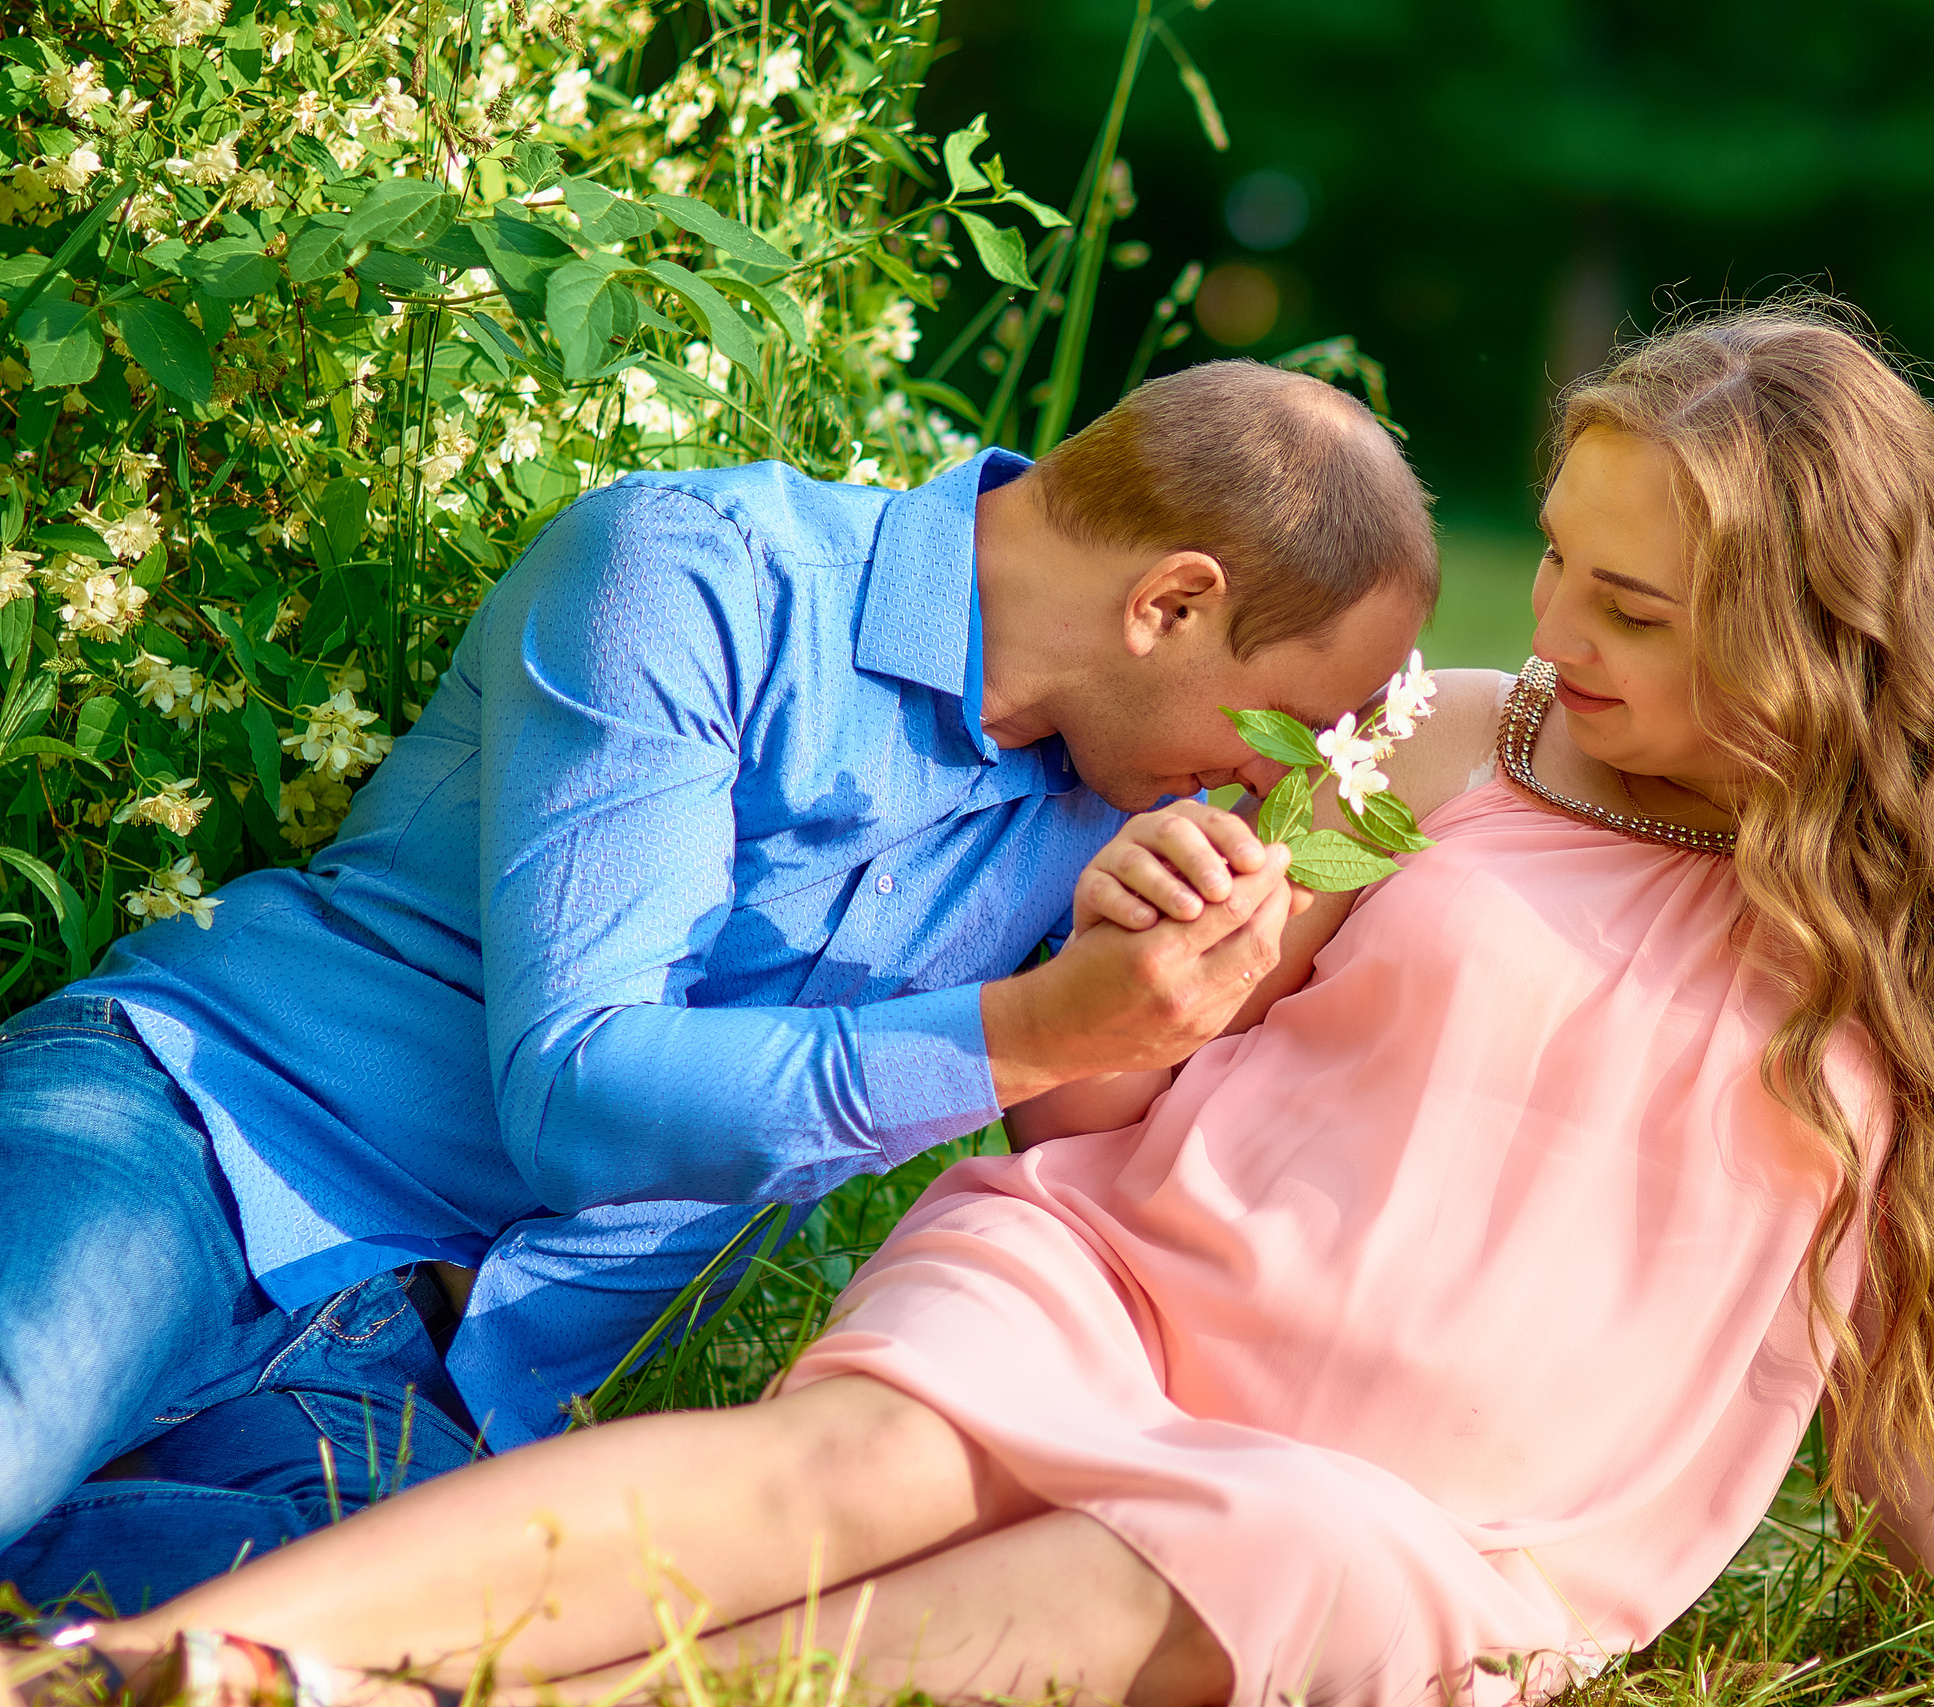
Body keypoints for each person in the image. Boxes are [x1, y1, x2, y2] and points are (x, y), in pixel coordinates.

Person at [8, 304, 1934, 1707]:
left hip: (1416, 1484)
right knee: (843, 1460)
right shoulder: (1457, 739)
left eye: (1630, 605)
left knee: (1261, 1547)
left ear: (1816, 632)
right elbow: (1163, 1018)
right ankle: (183, 1660)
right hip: (1119, 1277)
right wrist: (1141, 944)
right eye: (1556, 559)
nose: (1553, 625)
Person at [0, 361, 1437, 1611]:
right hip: (199, 1136)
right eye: (1289, 721)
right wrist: (1028, 1030)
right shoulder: (697, 570)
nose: (1282, 776)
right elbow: (579, 1091)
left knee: (347, 1663)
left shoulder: (1120, 815)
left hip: (436, 1378)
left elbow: (1113, 1154)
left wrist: (1134, 992)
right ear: (1172, 603)